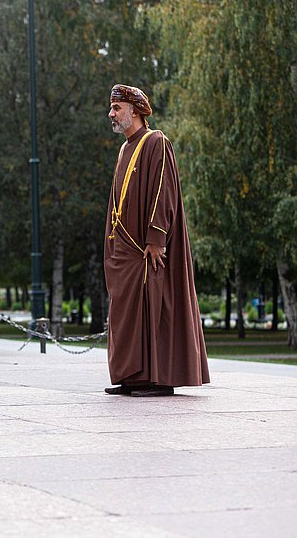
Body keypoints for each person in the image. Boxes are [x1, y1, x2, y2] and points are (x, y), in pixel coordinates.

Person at [104, 84, 209, 397]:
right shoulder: (125, 148)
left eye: (116, 108)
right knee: (127, 313)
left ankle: (158, 379)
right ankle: (133, 377)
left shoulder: (155, 141)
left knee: (156, 307)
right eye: (111, 108)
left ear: (134, 110)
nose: (111, 114)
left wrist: (156, 238)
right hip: (126, 251)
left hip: (148, 250)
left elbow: (164, 193)